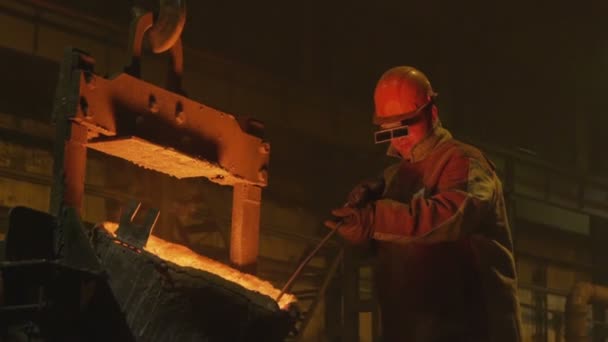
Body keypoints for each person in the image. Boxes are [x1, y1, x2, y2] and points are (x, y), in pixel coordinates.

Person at [324, 66, 522, 341]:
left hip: (472, 330)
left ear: (432, 113)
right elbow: (390, 247)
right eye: (389, 130)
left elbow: (451, 215)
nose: (398, 137)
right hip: (409, 330)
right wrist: (361, 234)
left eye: (406, 124)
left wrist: (376, 218)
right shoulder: (393, 177)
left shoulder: (463, 161)